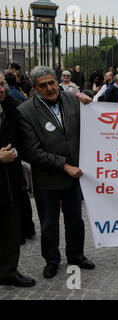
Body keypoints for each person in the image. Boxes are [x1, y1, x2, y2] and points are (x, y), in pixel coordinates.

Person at [17, 66, 95, 280]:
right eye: (43, 85)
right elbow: (33, 152)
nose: (50, 88)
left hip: (75, 177)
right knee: (49, 223)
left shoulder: (73, 100)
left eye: (52, 82)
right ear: (34, 88)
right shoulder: (25, 111)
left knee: (75, 221)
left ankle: (76, 255)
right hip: (48, 179)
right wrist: (64, 166)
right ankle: (52, 260)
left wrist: (90, 105)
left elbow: (92, 126)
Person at [0, 72, 36, 288]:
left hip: (10, 183)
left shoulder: (12, 108)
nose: (1, 89)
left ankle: (8, 272)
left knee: (11, 231)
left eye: (2, 84)